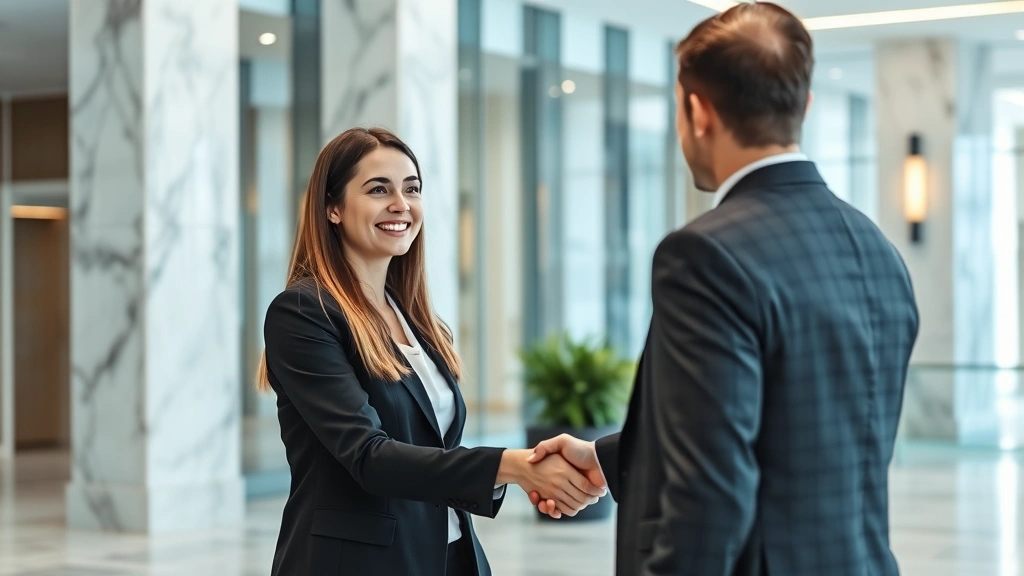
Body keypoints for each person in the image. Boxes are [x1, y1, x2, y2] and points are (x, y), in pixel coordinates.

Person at [528, 3, 919, 575]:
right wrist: (607, 457)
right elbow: (796, 431)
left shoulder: (704, 254)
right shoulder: (877, 248)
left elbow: (710, 495)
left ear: (698, 111)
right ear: (802, 106)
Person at [259, 127, 606, 576]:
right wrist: (514, 467)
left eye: (412, 188)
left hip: (449, 554)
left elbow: (434, 450)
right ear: (333, 208)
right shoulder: (305, 312)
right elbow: (369, 457)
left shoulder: (415, 319)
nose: (401, 204)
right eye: (378, 189)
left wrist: (518, 475)